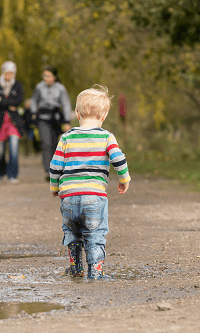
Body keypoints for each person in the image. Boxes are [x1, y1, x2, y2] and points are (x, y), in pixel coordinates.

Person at [49, 85, 131, 280]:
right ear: (104, 116)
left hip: (69, 196)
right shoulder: (106, 136)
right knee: (95, 234)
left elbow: (55, 165)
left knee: (72, 233)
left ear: (77, 113)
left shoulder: (67, 137)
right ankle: (95, 271)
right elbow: (118, 160)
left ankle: (76, 268)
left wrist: (54, 187)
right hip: (94, 197)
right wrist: (124, 179)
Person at [31, 66, 72, 181]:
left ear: (54, 77)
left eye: (48, 76)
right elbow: (34, 100)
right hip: (43, 118)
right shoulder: (39, 87)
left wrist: (66, 121)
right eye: (45, 76)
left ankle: (56, 169)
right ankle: (48, 171)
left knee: (55, 144)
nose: (46, 78)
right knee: (46, 143)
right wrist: (34, 113)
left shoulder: (61, 88)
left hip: (55, 119)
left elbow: (66, 104)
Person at [0, 61, 25, 184]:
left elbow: (19, 100)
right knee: (0, 151)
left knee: (14, 148)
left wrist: (1, 101)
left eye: (11, 73)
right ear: (3, 73)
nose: (8, 75)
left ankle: (13, 175)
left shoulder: (17, 85)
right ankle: (1, 172)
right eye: (6, 73)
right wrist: (9, 102)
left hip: (13, 123)